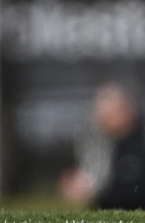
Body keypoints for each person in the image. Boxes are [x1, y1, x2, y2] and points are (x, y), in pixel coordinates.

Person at [59, 82, 145, 210]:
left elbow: (133, 194)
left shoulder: (138, 146)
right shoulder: (109, 146)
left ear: (124, 110)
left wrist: (93, 193)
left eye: (106, 113)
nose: (99, 117)